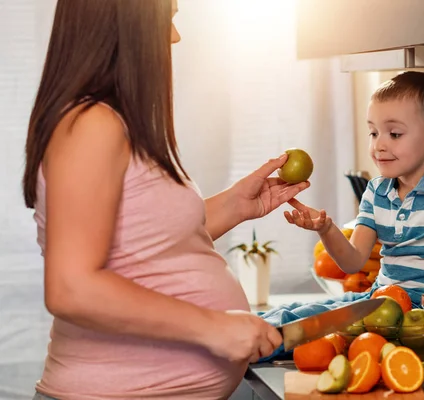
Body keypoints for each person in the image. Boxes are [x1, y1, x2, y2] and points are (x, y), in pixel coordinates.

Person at [23, 1, 309, 399]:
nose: (175, 35)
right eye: (169, 18)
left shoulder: (111, 122)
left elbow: (142, 243)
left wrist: (236, 204)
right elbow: (71, 287)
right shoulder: (90, 125)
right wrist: (215, 326)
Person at [285, 72, 424, 305]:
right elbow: (353, 261)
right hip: (380, 306)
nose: (379, 145)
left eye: (394, 134)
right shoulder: (376, 192)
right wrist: (326, 229)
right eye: (373, 133)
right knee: (292, 316)